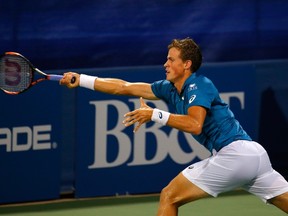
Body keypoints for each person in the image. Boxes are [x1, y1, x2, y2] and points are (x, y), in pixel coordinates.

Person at [60, 38, 288, 215]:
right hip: (255, 157)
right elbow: (124, 87)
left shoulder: (199, 84)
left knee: (169, 195)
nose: (165, 64)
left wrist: (155, 114)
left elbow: (195, 125)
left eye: (171, 59)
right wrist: (82, 79)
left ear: (186, 64)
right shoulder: (168, 88)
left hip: (236, 155)